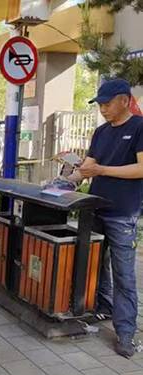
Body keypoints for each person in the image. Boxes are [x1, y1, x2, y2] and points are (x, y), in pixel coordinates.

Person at [74, 79, 143, 358]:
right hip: (95, 208)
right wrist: (70, 176)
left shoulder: (139, 127)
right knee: (95, 264)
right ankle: (103, 307)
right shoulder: (101, 132)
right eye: (100, 104)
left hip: (123, 213)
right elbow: (89, 166)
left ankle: (125, 332)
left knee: (123, 273)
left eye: (107, 103)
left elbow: (141, 168)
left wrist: (102, 170)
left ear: (125, 100)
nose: (102, 109)